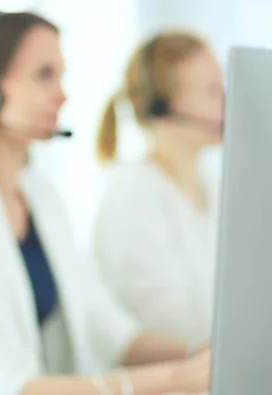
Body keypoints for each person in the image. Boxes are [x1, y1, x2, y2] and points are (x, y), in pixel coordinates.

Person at [0, 9, 211, 395]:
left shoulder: (40, 195)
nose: (62, 94)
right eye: (44, 75)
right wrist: (171, 381)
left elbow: (103, 324)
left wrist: (205, 356)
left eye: (61, 76)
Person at [92, 31, 224, 352]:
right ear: (163, 107)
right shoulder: (132, 193)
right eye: (213, 92)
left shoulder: (213, 183)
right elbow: (164, 318)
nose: (227, 102)